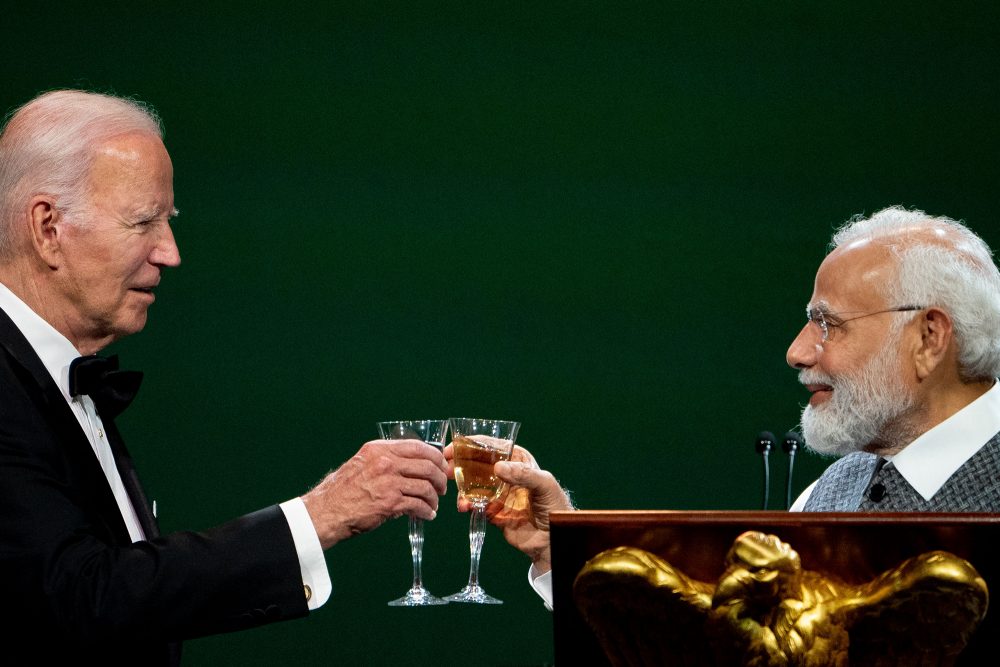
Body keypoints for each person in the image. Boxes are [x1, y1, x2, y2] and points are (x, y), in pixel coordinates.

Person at [0, 90, 448, 664]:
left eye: (169, 221)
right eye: (143, 222)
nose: (170, 252)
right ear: (47, 228)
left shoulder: (63, 378)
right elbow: (81, 596)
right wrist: (320, 516)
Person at [452, 206, 1000, 609]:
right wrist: (561, 545)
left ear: (929, 338)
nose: (798, 351)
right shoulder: (830, 492)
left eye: (828, 324)